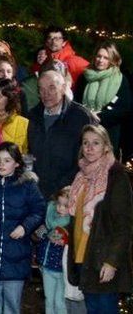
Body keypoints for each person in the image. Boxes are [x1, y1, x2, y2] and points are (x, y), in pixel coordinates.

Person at [65, 124, 133, 314]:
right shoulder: (81, 175)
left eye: (96, 143)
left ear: (106, 147)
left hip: (103, 260)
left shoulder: (116, 176)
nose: (89, 148)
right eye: (86, 143)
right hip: (84, 257)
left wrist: (111, 262)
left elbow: (124, 226)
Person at [0, 141, 45, 314]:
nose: (1, 164)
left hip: (17, 255)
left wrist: (24, 227)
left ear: (17, 163)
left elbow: (39, 210)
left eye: (7, 160)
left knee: (12, 306)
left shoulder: (27, 185)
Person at [28, 70, 96, 198]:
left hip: (69, 193)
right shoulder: (33, 116)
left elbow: (92, 157)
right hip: (36, 191)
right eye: (41, 89)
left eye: (52, 88)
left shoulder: (82, 117)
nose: (46, 94)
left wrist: (65, 186)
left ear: (64, 87)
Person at [75, 42, 131, 157]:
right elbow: (76, 102)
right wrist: (87, 114)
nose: (101, 60)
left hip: (108, 133)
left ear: (113, 59)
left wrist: (100, 117)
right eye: (99, 56)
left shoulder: (120, 79)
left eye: (105, 58)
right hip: (85, 130)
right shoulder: (84, 77)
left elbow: (124, 108)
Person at [37, 186, 71, 314]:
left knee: (60, 302)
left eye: (65, 206)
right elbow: (39, 234)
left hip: (63, 270)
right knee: (49, 299)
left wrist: (66, 240)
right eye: (59, 204)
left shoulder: (71, 224)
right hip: (47, 266)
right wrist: (45, 235)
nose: (61, 208)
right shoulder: (49, 218)